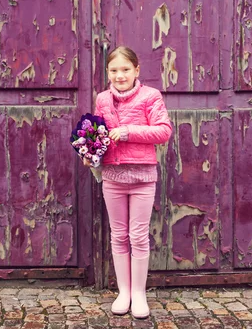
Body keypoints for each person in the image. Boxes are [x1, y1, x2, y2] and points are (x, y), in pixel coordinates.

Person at [89, 46, 172, 319]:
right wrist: (90, 153)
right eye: (114, 70)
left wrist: (127, 132)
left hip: (142, 177)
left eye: (125, 69)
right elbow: (99, 134)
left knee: (138, 236)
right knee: (118, 235)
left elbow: (163, 131)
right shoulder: (102, 99)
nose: (119, 75)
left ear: (137, 70)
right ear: (108, 73)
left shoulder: (151, 96)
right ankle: (123, 292)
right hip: (112, 177)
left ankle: (139, 293)